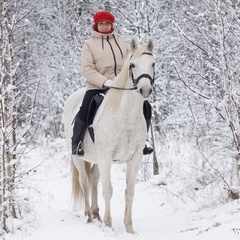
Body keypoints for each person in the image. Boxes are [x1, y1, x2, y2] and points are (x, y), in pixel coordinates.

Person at [72, 11, 153, 156]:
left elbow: (134, 61)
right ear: (96, 25)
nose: (104, 26)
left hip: (122, 88)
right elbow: (88, 69)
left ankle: (144, 140)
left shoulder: (122, 42)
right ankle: (77, 142)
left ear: (112, 24)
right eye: (101, 23)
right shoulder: (89, 45)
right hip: (97, 86)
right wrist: (105, 81)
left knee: (146, 106)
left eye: (107, 23)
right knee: (85, 109)